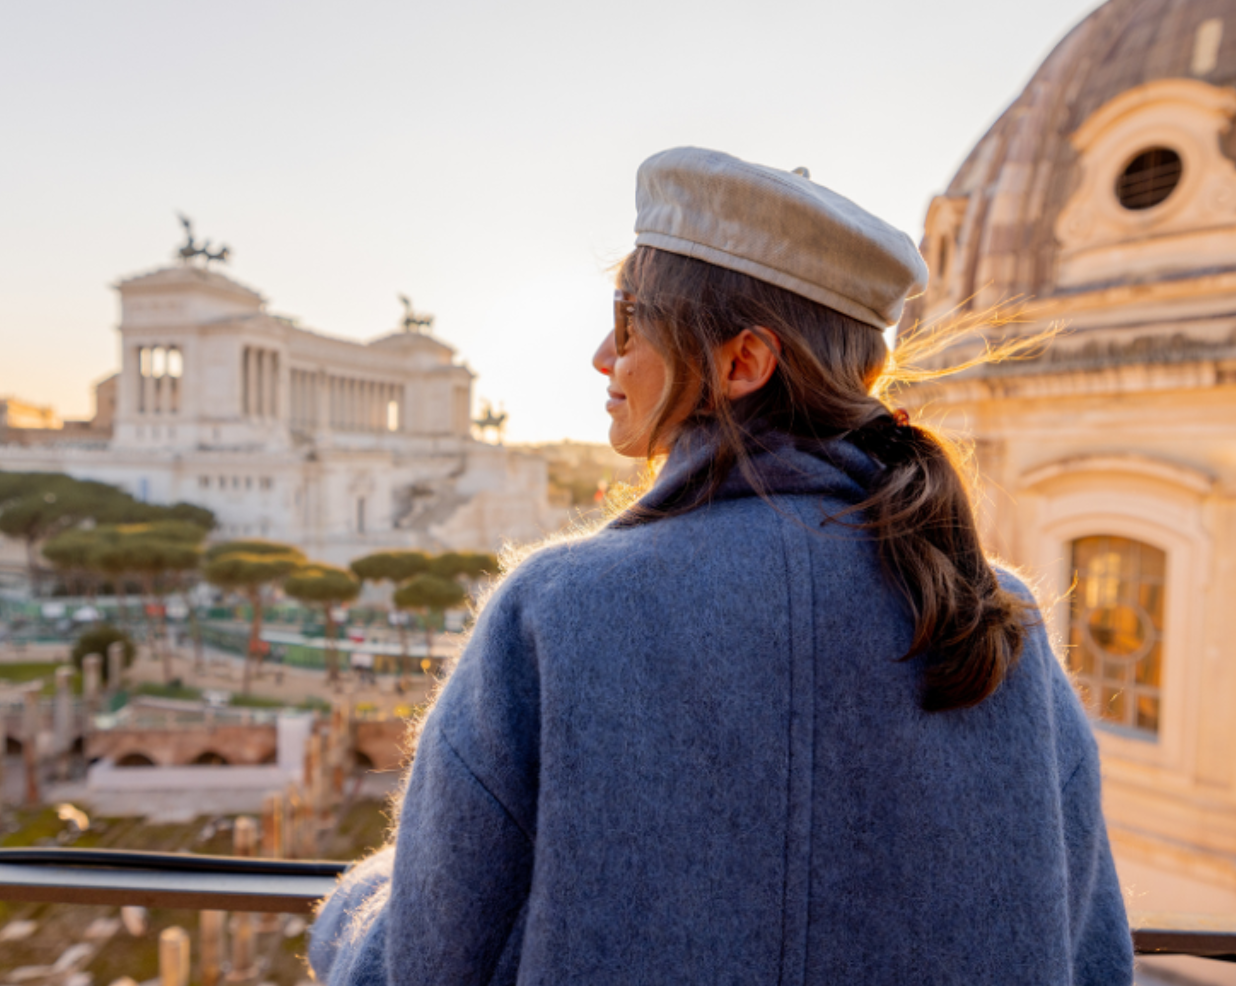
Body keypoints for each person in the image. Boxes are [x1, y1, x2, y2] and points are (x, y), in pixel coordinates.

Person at [308, 147, 1132, 984]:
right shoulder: (999, 612)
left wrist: (351, 905)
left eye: (628, 321)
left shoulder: (557, 611)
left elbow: (414, 965)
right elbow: (1096, 962)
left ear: (743, 363)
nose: (603, 355)